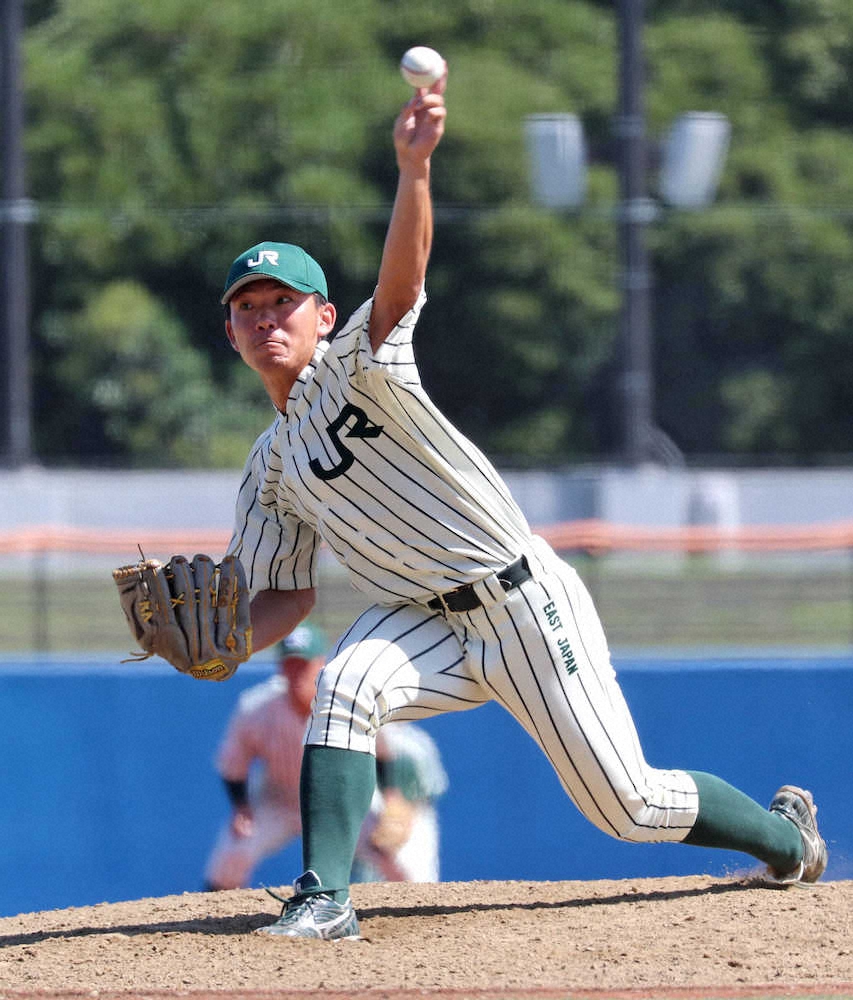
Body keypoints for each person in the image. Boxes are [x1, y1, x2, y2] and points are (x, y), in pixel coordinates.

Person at [218, 70, 826, 940]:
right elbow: (287, 594)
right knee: (344, 684)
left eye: (284, 302)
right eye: (247, 308)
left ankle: (785, 840)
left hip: (522, 604)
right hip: (419, 618)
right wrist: (225, 641)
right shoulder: (267, 468)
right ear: (230, 333)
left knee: (627, 804)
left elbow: (398, 288)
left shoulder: (359, 364)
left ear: (321, 315)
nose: (266, 317)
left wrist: (414, 171)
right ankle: (326, 894)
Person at [203, 621, 448, 891]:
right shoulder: (256, 707)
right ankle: (209, 923)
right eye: (290, 664)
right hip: (279, 801)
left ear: (321, 664)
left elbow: (384, 753)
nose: (296, 673)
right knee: (232, 853)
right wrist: (241, 807)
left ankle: (418, 921)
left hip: (342, 802)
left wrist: (391, 795)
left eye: (303, 664)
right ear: (281, 668)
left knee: (400, 859)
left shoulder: (347, 699)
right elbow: (232, 766)